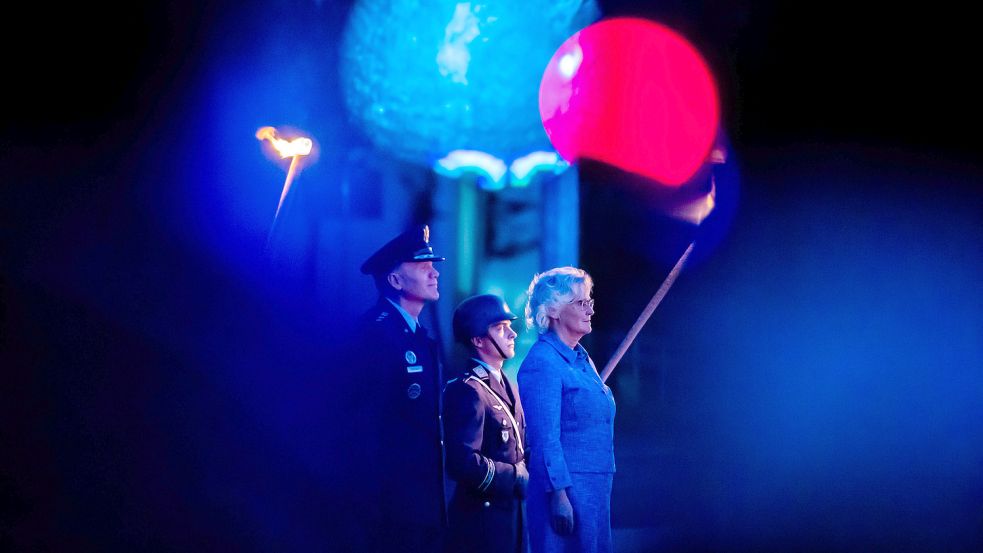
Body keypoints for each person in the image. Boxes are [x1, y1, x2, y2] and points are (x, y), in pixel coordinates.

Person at [344, 224, 447, 552]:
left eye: (433, 265)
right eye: (422, 267)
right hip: (391, 506)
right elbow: (363, 424)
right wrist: (371, 504)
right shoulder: (376, 335)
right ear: (395, 280)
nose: (434, 273)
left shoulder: (418, 336)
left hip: (423, 501)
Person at [517, 267, 616, 553]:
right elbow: (545, 437)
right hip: (567, 490)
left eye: (590, 302)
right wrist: (558, 494)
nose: (590, 310)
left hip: (595, 487)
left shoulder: (582, 359)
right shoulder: (543, 363)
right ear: (554, 311)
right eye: (581, 303)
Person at [443, 294, 529, 553]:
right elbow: (462, 462)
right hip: (481, 523)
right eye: (501, 328)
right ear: (478, 340)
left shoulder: (507, 384)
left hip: (511, 518)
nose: (512, 334)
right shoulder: (468, 390)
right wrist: (514, 475)